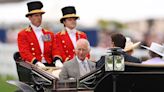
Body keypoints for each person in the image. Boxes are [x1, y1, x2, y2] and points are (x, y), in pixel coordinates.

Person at [17, 1, 57, 68]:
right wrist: (36, 62)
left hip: (49, 65)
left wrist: (57, 59)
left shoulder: (49, 34)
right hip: (33, 66)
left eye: (40, 15)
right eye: (36, 15)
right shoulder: (23, 34)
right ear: (29, 17)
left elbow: (54, 49)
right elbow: (24, 52)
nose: (39, 18)